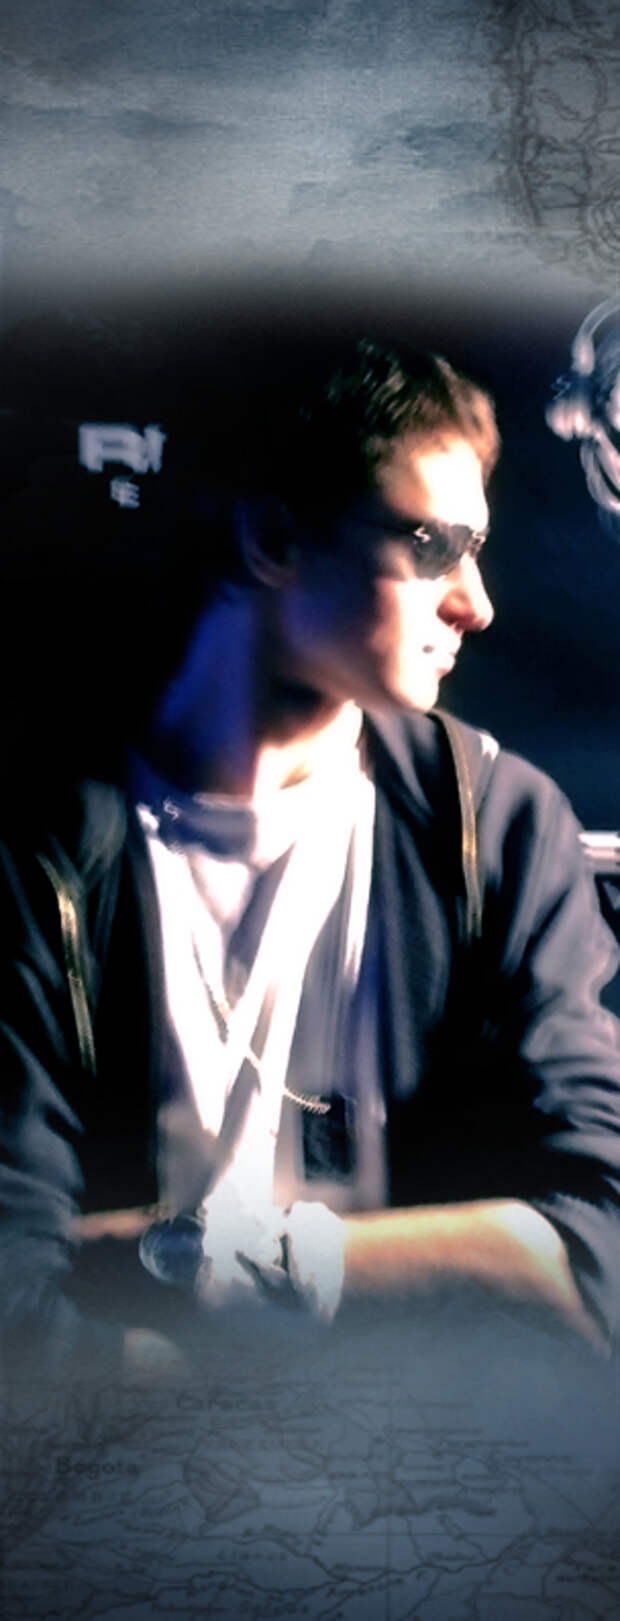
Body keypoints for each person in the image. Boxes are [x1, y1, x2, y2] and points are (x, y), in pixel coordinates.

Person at [1, 337, 619, 1385]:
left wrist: (216, 1261)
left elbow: (600, 1246)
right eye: (434, 547)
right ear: (275, 537)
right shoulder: (42, 855)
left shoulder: (499, 828)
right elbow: (15, 1320)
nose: (475, 602)